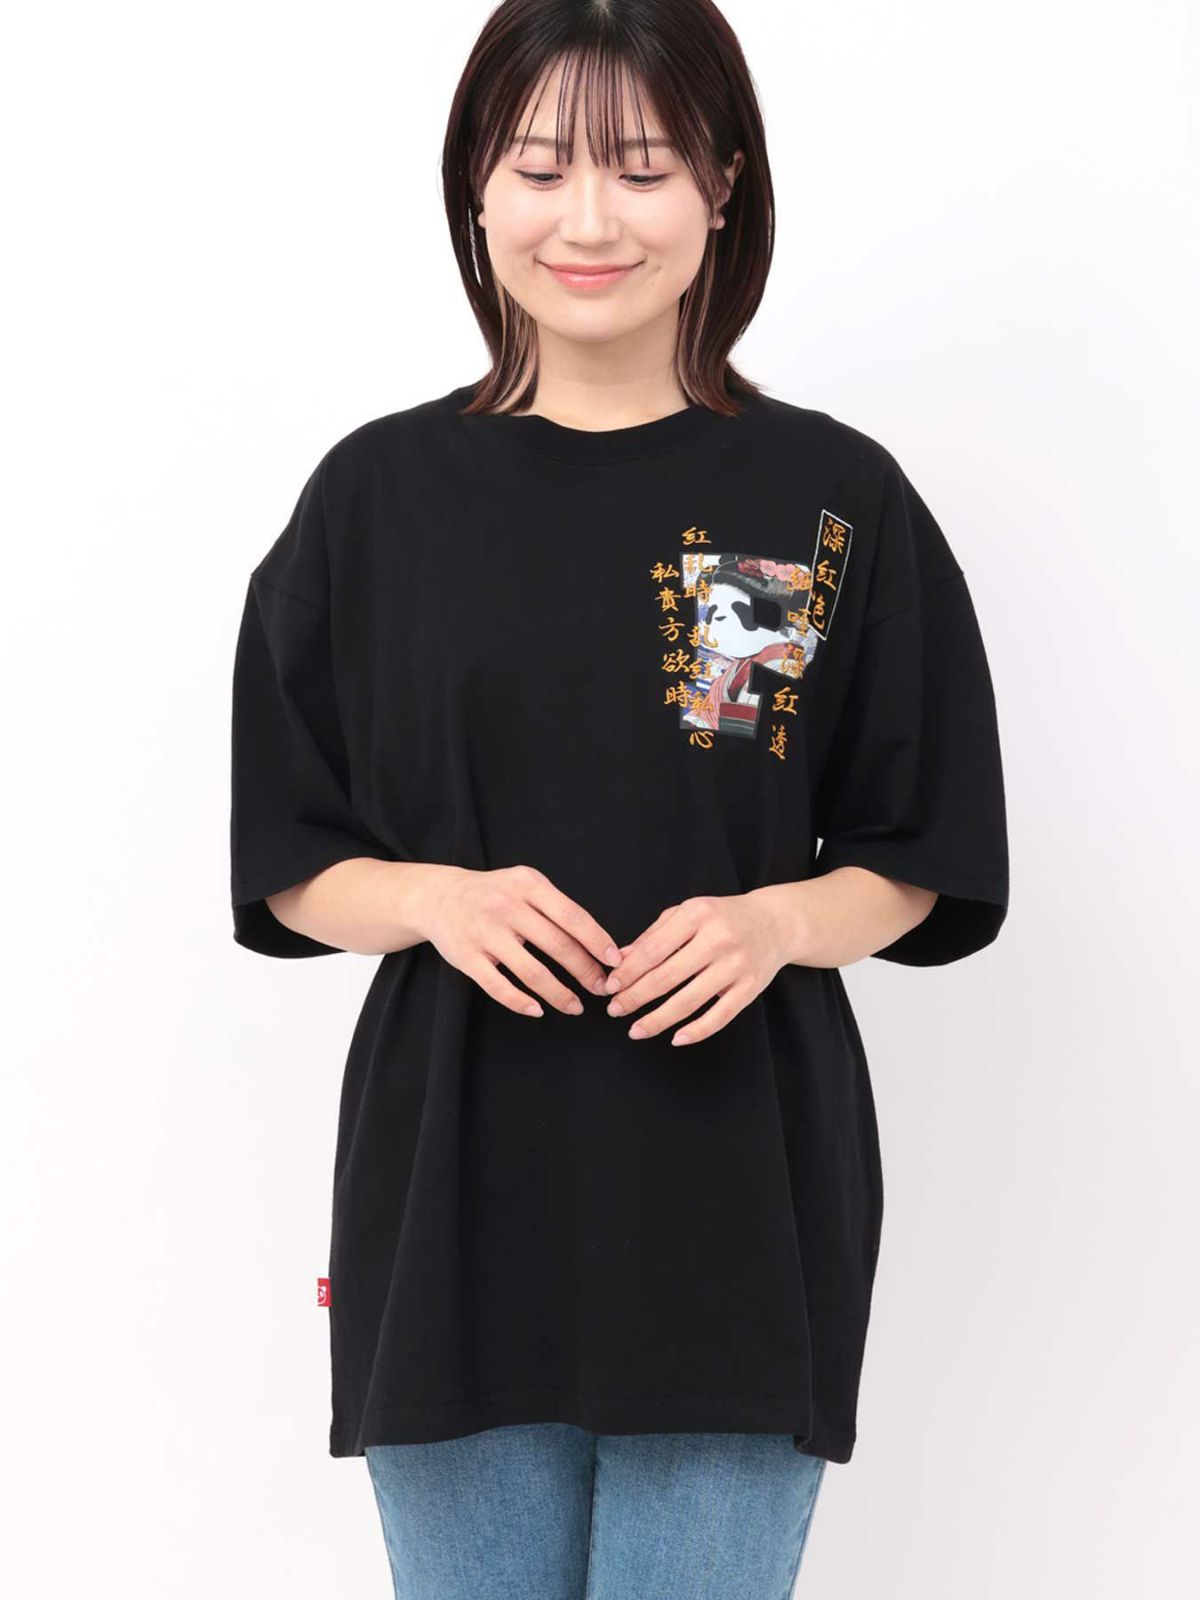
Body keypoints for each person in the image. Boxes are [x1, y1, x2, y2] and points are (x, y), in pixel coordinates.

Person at [228, 1, 1009, 1594]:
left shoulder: (826, 496)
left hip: (737, 1202)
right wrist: (434, 897)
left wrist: (777, 923)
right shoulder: (377, 497)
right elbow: (289, 852)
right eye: (541, 168)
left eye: (642, 168)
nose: (588, 220)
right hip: (451, 1199)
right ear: (477, 190)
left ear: (722, 185)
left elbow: (920, 847)